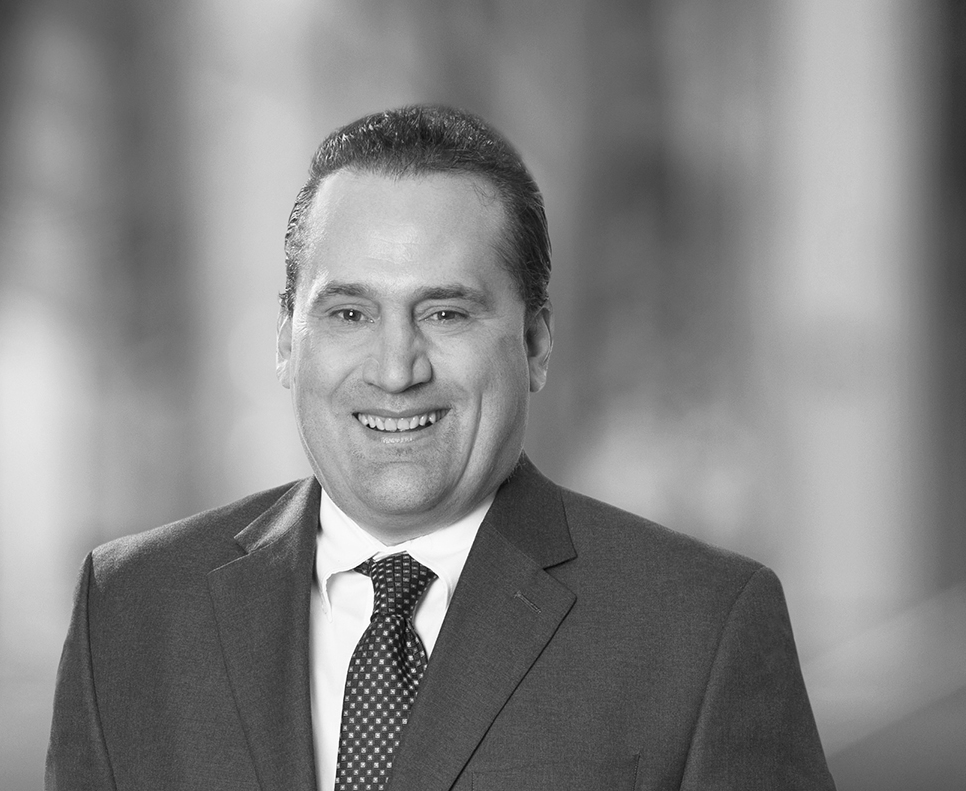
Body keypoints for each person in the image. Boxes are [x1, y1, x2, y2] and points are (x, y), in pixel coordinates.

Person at [45, 105, 835, 790]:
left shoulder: (699, 628)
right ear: (286, 341)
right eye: (349, 314)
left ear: (536, 344)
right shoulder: (133, 610)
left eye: (446, 314)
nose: (396, 370)